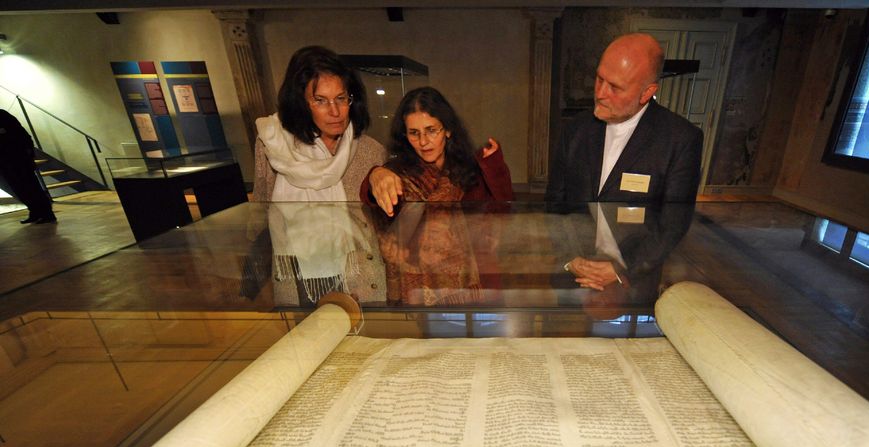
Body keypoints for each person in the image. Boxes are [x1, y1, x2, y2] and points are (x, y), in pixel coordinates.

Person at [546, 32, 703, 292]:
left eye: (615, 87)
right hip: (573, 275)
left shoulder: (681, 139)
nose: (600, 93)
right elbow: (555, 202)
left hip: (632, 282)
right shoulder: (576, 129)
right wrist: (570, 258)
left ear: (647, 92)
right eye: (599, 79)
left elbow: (673, 223)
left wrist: (621, 268)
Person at [253, 45, 385, 201]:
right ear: (300, 102)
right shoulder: (272, 143)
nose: (335, 112)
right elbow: (261, 208)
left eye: (341, 98)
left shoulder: (371, 151)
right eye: (320, 101)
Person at [360, 86, 513, 216]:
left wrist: (494, 167)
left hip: (468, 250)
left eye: (431, 130)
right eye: (414, 133)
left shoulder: (470, 171)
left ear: (448, 130)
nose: (423, 141)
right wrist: (375, 175)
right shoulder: (398, 174)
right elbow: (372, 200)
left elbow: (503, 210)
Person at [0, 109, 56, 224]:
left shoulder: (2, 115)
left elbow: (22, 135)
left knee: (31, 187)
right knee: (19, 189)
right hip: (5, 162)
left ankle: (47, 214)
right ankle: (34, 212)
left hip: (18, 159)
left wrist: (29, 154)